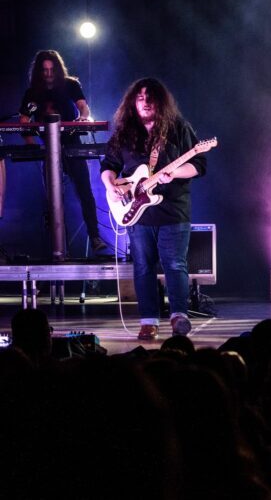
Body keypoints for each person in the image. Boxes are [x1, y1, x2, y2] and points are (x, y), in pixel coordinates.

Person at [100, 78, 207, 340]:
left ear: (160, 101)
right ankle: (148, 321)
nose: (145, 102)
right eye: (140, 97)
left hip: (173, 209)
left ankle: (178, 317)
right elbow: (108, 165)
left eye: (150, 97)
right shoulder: (124, 132)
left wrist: (175, 173)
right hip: (137, 212)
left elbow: (199, 165)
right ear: (132, 103)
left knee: (175, 264)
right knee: (143, 267)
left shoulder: (179, 128)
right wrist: (111, 185)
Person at [18, 50, 107, 253]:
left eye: (51, 69)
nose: (48, 73)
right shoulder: (33, 93)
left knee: (85, 192)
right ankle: (58, 246)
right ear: (39, 71)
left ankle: (95, 237)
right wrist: (33, 145)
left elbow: (84, 108)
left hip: (72, 145)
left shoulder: (70, 85)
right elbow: (24, 121)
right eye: (45, 70)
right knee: (53, 199)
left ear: (57, 69)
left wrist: (83, 117)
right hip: (49, 149)